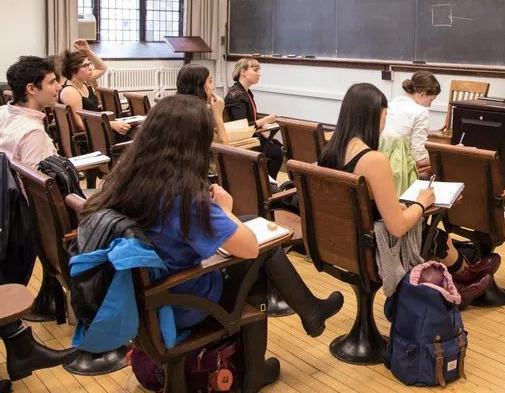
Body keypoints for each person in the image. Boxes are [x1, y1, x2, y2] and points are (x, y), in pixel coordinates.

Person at [80, 95, 343, 389]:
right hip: (180, 302)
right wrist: (225, 210)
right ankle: (263, 362)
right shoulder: (184, 199)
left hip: (141, 299)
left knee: (245, 224)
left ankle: (308, 312)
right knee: (261, 255)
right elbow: (249, 247)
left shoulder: (127, 180)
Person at [317, 83, 499, 305]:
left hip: (339, 241)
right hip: (370, 249)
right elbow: (397, 227)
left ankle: (458, 281)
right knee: (425, 228)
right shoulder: (373, 160)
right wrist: (422, 203)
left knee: (420, 224)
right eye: (385, 116)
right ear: (374, 117)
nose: (384, 124)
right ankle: (464, 276)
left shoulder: (330, 152)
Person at [0, 56, 80, 381]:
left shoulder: (4, 114)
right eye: (52, 82)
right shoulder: (33, 133)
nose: (59, 87)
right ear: (32, 89)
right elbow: (45, 196)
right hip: (20, 223)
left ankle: (21, 348)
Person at [225, 59, 283, 180]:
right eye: (255, 70)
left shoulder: (246, 92)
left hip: (253, 135)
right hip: (243, 141)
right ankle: (267, 186)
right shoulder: (236, 95)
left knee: (278, 146)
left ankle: (266, 183)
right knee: (277, 154)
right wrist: (266, 120)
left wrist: (265, 135)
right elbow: (242, 126)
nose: (259, 74)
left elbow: (251, 120)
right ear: (243, 72)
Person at [58, 40, 131, 136]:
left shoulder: (83, 81)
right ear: (73, 71)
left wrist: (88, 51)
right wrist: (111, 124)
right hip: (88, 138)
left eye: (89, 64)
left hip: (95, 130)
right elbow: (80, 125)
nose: (90, 68)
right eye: (85, 65)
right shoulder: (70, 92)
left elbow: (102, 68)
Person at [382, 71, 440, 180]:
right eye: (431, 100)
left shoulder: (390, 105)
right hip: (400, 172)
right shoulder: (421, 112)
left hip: (382, 166)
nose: (430, 105)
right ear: (422, 94)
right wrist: (444, 156)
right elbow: (419, 159)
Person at [175, 64, 229, 146]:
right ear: (199, 86)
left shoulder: (169, 105)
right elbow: (224, 151)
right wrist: (218, 116)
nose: (213, 87)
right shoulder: (198, 114)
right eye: (210, 82)